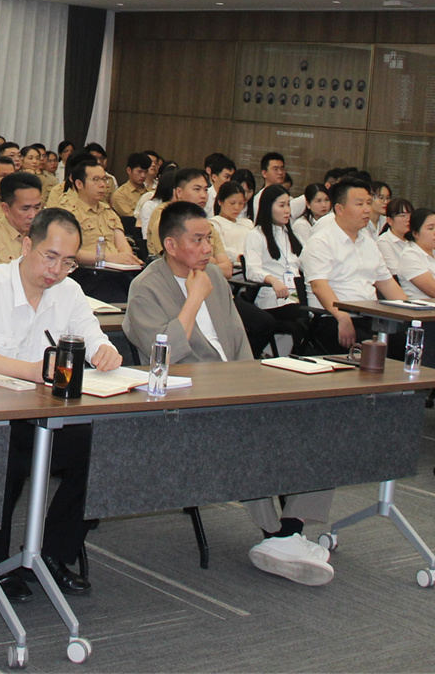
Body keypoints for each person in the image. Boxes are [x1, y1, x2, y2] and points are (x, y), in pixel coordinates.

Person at [124, 201, 336, 584]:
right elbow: (161, 357)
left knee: (318, 421)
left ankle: (290, 529)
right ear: (170, 245)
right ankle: (276, 535)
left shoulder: (214, 277)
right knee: (248, 432)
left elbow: (239, 341)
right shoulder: (145, 289)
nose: (208, 248)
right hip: (187, 400)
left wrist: (251, 384)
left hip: (235, 385)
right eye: (198, 240)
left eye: (209, 239)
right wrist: (193, 299)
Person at [0, 208, 122, 599]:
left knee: (100, 449)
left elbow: (92, 335)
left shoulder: (69, 292)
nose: (56, 270)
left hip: (35, 415)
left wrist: (104, 351)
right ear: (26, 245)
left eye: (68, 262)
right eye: (50, 257)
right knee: (6, 459)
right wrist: (34, 371)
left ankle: (50, 554)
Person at [300, 179, 403, 353]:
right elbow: (319, 286)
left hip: (370, 317)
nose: (367, 209)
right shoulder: (321, 242)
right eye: (359, 204)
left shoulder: (369, 243)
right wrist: (341, 316)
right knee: (376, 350)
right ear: (339, 209)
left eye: (368, 203)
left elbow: (387, 284)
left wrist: (410, 311)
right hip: (333, 318)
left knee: (408, 342)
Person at [244, 186, 312, 345]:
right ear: (268, 207)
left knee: (318, 314)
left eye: (288, 205)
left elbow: (306, 264)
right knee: (303, 317)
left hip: (296, 296)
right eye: (282, 205)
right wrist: (273, 280)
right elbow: (252, 271)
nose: (287, 210)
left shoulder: (292, 235)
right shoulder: (256, 235)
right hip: (273, 297)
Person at [61, 155, 140, 268]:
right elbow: (69, 252)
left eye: (104, 179)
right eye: (96, 180)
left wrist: (126, 258)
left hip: (116, 269)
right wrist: (108, 257)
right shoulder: (67, 213)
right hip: (87, 270)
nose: (103, 185)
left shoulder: (108, 210)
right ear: (79, 184)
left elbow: (123, 244)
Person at [145, 168, 228, 262]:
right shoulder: (165, 222)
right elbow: (180, 261)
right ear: (179, 192)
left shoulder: (208, 226)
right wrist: (213, 262)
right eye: (197, 189)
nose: (203, 195)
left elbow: (226, 266)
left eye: (205, 190)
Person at [211, 179, 254, 268]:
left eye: (241, 203)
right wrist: (239, 257)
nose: (237, 207)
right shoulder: (214, 223)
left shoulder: (248, 223)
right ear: (220, 201)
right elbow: (220, 249)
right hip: (230, 267)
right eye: (232, 203)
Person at [376, 198, 413, 278]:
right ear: (390, 220)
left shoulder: (413, 240)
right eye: (403, 216)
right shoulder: (384, 241)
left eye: (410, 215)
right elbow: (395, 272)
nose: (408, 219)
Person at [290, 183, 330, 247]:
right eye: (318, 201)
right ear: (308, 204)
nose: (324, 205)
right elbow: (311, 248)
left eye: (327, 200)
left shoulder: (333, 220)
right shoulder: (301, 225)